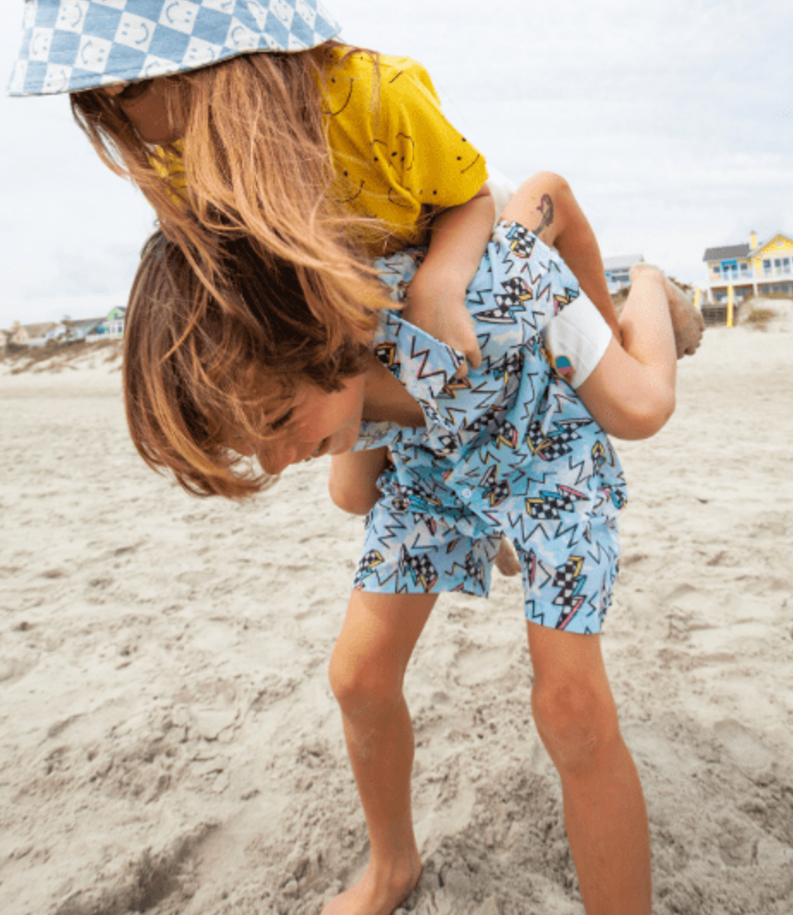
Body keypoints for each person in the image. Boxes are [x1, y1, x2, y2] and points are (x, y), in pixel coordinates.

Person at [121, 171, 703, 915]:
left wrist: (598, 325)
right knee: (358, 667)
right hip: (436, 461)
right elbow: (348, 452)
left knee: (573, 702)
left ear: (322, 339)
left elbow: (547, 197)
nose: (272, 462)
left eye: (274, 424)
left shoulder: (479, 294)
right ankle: (392, 865)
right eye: (250, 445)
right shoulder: (311, 370)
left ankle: (650, 287)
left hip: (542, 437)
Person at [8, 0, 620, 369]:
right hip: (370, 282)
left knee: (630, 402)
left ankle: (630, 313)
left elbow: (470, 199)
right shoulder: (175, 157)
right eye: (93, 93)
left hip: (459, 232)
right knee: (354, 494)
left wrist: (441, 281)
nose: (116, 114)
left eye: (130, 86)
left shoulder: (379, 95)